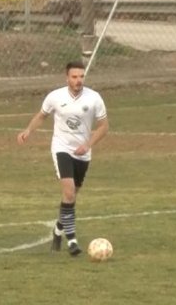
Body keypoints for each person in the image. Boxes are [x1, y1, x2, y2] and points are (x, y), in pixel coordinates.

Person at [16, 61, 109, 256]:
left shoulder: (94, 98)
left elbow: (104, 126)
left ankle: (58, 230)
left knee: (71, 197)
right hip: (62, 148)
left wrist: (88, 145)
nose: (78, 80)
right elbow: (42, 115)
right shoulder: (55, 97)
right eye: (74, 77)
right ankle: (72, 240)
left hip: (83, 153)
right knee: (68, 192)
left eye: (81, 76)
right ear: (67, 78)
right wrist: (28, 130)